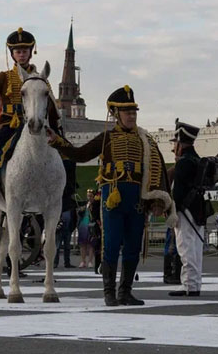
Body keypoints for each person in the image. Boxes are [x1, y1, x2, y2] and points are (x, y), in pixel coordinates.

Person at [49, 85, 173, 306]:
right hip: (113, 194)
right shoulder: (106, 137)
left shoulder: (146, 140)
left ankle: (125, 291)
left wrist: (156, 200)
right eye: (127, 112)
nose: (132, 116)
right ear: (116, 114)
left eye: (134, 112)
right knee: (112, 243)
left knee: (134, 244)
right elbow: (81, 153)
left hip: (136, 197)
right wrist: (58, 142)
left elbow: (157, 169)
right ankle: (109, 292)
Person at [0, 28, 60, 213]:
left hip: (37, 124)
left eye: (24, 51)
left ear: (31, 52)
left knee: (65, 153)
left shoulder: (41, 79)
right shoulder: (4, 77)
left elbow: (51, 104)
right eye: (18, 51)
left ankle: (65, 194)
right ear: (12, 54)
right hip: (11, 126)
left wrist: (57, 127)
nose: (21, 55)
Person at [168, 120, 204, 297]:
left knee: (185, 247)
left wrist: (172, 208)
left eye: (175, 143)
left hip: (185, 209)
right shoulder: (196, 160)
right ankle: (194, 283)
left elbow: (179, 191)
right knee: (195, 248)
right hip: (197, 207)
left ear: (180, 143)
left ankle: (189, 285)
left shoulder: (184, 163)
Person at [55, 159, 77, 269]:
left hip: (66, 225)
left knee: (65, 245)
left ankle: (65, 263)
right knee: (58, 245)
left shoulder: (68, 201)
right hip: (60, 224)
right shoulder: (64, 199)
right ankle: (56, 262)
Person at [77, 189, 94, 268]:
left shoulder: (95, 204)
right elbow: (79, 211)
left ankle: (90, 261)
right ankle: (83, 261)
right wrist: (84, 207)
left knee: (91, 244)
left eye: (91, 196)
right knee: (82, 244)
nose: (89, 198)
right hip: (83, 224)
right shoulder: (84, 204)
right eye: (88, 196)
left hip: (91, 225)